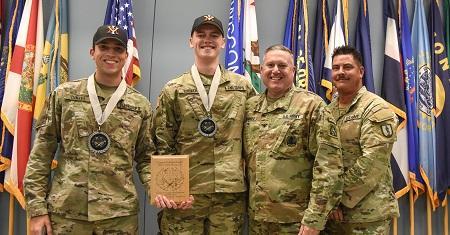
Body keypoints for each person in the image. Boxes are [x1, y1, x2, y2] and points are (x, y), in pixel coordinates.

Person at [24, 25, 155, 235]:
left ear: (126, 55)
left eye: (118, 49)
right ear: (92, 52)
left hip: (119, 217)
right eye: (104, 47)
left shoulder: (140, 105)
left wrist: (162, 191)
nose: (111, 54)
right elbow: (40, 155)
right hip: (67, 213)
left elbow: (147, 158)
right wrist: (37, 210)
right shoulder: (64, 95)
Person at [152, 14, 255, 234]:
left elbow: (254, 138)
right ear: (191, 41)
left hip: (230, 195)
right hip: (186, 194)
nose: (207, 40)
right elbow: (163, 142)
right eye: (201, 35)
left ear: (223, 42)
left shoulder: (242, 87)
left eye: (214, 35)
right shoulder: (174, 89)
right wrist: (174, 191)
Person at [243, 44, 343, 235]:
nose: (275, 71)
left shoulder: (312, 107)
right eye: (270, 65)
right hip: (257, 220)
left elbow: (329, 166)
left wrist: (314, 218)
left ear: (293, 70)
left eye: (282, 66)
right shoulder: (250, 108)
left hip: (296, 223)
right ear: (261, 70)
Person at [325, 45, 399, 234]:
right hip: (332, 214)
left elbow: (372, 161)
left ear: (361, 71)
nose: (340, 72)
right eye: (336, 68)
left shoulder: (376, 109)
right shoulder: (329, 111)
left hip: (366, 216)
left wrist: (336, 197)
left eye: (347, 67)